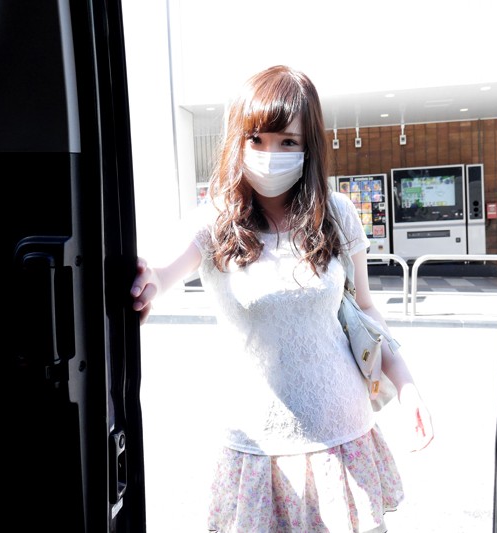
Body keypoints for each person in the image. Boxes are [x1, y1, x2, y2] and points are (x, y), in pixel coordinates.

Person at [131, 65, 434, 532]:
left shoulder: (336, 213)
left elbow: (365, 309)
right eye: (257, 139)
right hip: (256, 446)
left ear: (309, 146)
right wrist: (144, 282)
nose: (271, 155)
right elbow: (162, 273)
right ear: (238, 141)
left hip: (343, 436)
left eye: (288, 142)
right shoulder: (215, 220)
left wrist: (407, 386)